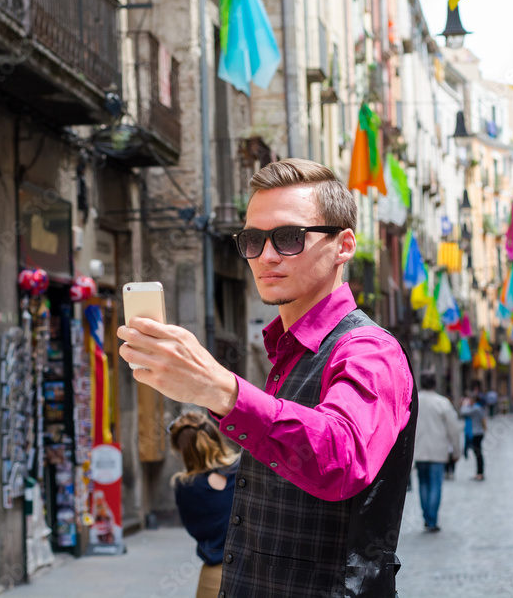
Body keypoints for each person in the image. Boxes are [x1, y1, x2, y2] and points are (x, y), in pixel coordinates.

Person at [117, 159, 417, 597]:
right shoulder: (286, 351)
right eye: (254, 240)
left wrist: (221, 390)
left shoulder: (368, 351)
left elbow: (341, 457)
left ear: (344, 245)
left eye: (290, 238)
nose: (267, 256)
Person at [168, 412, 240, 598]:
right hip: (252, 570)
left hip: (214, 573)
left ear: (182, 451)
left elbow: (195, 528)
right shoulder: (243, 470)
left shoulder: (185, 486)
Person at [412, 373, 462, 531]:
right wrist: (456, 451)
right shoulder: (443, 403)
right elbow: (454, 429)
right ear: (435, 384)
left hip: (419, 451)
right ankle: (432, 519)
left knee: (423, 484)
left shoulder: (414, 401)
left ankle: (427, 516)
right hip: (438, 451)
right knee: (435, 485)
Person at [459, 392, 486, 481]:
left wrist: (464, 404)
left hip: (476, 433)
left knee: (478, 454)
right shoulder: (478, 408)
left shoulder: (476, 408)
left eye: (470, 400)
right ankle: (479, 473)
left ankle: (480, 473)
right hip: (478, 432)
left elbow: (463, 412)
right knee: (477, 454)